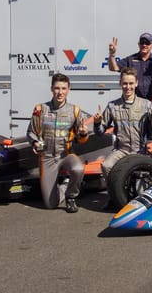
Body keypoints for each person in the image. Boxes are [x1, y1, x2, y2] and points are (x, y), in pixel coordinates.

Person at [94, 67, 152, 207]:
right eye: (125, 83)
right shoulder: (112, 106)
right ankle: (114, 196)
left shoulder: (146, 104)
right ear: (120, 83)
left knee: (142, 189)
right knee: (106, 165)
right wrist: (97, 123)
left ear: (136, 83)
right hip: (121, 150)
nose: (128, 87)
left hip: (140, 151)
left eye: (131, 83)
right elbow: (100, 132)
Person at [27, 73, 89, 213]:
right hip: (47, 157)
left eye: (63, 88)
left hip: (66, 154)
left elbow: (82, 140)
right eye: (57, 88)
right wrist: (35, 142)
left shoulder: (75, 110)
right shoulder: (40, 109)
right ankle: (66, 184)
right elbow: (31, 132)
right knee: (50, 205)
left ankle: (71, 197)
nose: (60, 92)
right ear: (51, 89)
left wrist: (83, 133)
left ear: (69, 90)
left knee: (78, 169)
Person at [107, 33, 152, 103]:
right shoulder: (130, 59)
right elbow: (113, 68)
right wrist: (112, 55)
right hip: (135, 102)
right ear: (138, 44)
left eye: (147, 43)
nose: (144, 45)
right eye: (142, 42)